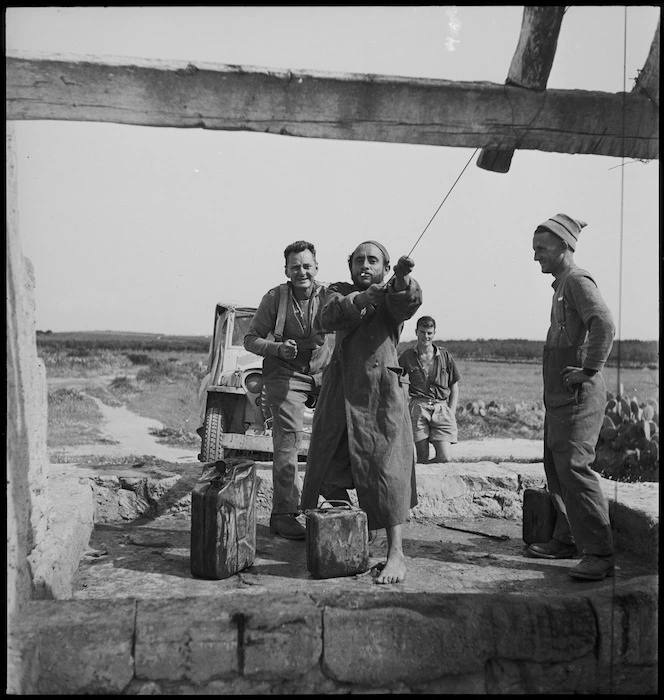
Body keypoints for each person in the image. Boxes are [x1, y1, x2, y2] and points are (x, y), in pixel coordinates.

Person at [301, 240, 422, 584]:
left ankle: (396, 554)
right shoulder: (338, 291)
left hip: (381, 394)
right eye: (359, 260)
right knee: (327, 466)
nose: (365, 265)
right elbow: (329, 314)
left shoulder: (391, 296)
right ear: (350, 265)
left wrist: (400, 280)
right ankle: (356, 532)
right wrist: (364, 298)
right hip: (340, 393)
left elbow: (408, 302)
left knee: (388, 474)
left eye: (373, 261)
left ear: (384, 267)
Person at [528, 213, 616, 581]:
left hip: (578, 396)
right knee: (557, 469)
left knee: (576, 470)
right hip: (561, 399)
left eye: (542, 249)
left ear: (565, 246)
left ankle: (599, 553)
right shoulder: (561, 284)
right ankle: (566, 540)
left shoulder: (577, 280)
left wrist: (589, 370)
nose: (536, 257)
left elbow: (604, 323)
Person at [244, 240, 334, 540]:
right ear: (286, 270)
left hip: (324, 375)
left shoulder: (330, 295)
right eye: (295, 267)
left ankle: (338, 510)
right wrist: (277, 348)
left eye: (307, 266)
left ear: (316, 268)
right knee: (288, 443)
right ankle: (283, 515)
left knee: (337, 439)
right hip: (284, 374)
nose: (301, 272)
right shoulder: (274, 298)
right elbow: (251, 339)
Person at [398, 315, 460, 463]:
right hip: (418, 407)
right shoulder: (407, 356)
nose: (426, 336)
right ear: (416, 332)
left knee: (445, 458)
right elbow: (395, 380)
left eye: (429, 333)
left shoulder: (445, 356)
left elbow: (454, 386)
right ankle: (421, 485)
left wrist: (451, 411)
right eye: (423, 332)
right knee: (422, 456)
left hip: (441, 408)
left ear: (434, 333)